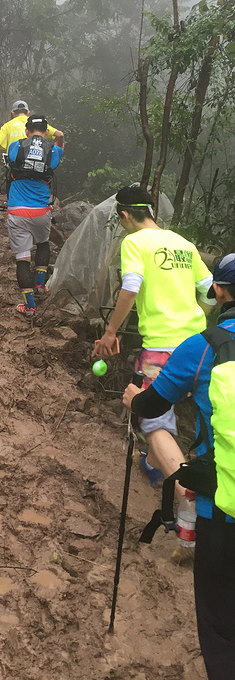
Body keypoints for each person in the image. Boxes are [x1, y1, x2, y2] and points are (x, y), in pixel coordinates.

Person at [122, 252, 235, 679]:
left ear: (220, 292)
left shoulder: (205, 347)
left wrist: (134, 399)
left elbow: (153, 403)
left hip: (224, 508)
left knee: (222, 622)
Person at [93, 186, 215, 493]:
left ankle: (186, 495)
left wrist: (111, 332)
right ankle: (152, 463)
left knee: (153, 418)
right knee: (208, 418)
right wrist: (195, 317)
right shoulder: (183, 243)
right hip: (200, 346)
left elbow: (131, 286)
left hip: (161, 349)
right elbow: (211, 290)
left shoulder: (134, 242)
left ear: (124, 215)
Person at [7, 115, 63, 315]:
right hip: (41, 210)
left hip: (17, 210)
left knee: (22, 259)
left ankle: (29, 306)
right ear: (47, 132)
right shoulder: (54, 150)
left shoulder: (15, 146)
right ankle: (40, 285)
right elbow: (57, 158)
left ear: (26, 131)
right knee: (43, 242)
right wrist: (60, 139)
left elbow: (10, 165)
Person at [0, 100, 64, 166]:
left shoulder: (7, 126)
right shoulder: (36, 124)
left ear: (13, 113)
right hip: (38, 164)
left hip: (15, 168)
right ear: (28, 112)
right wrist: (59, 149)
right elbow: (60, 135)